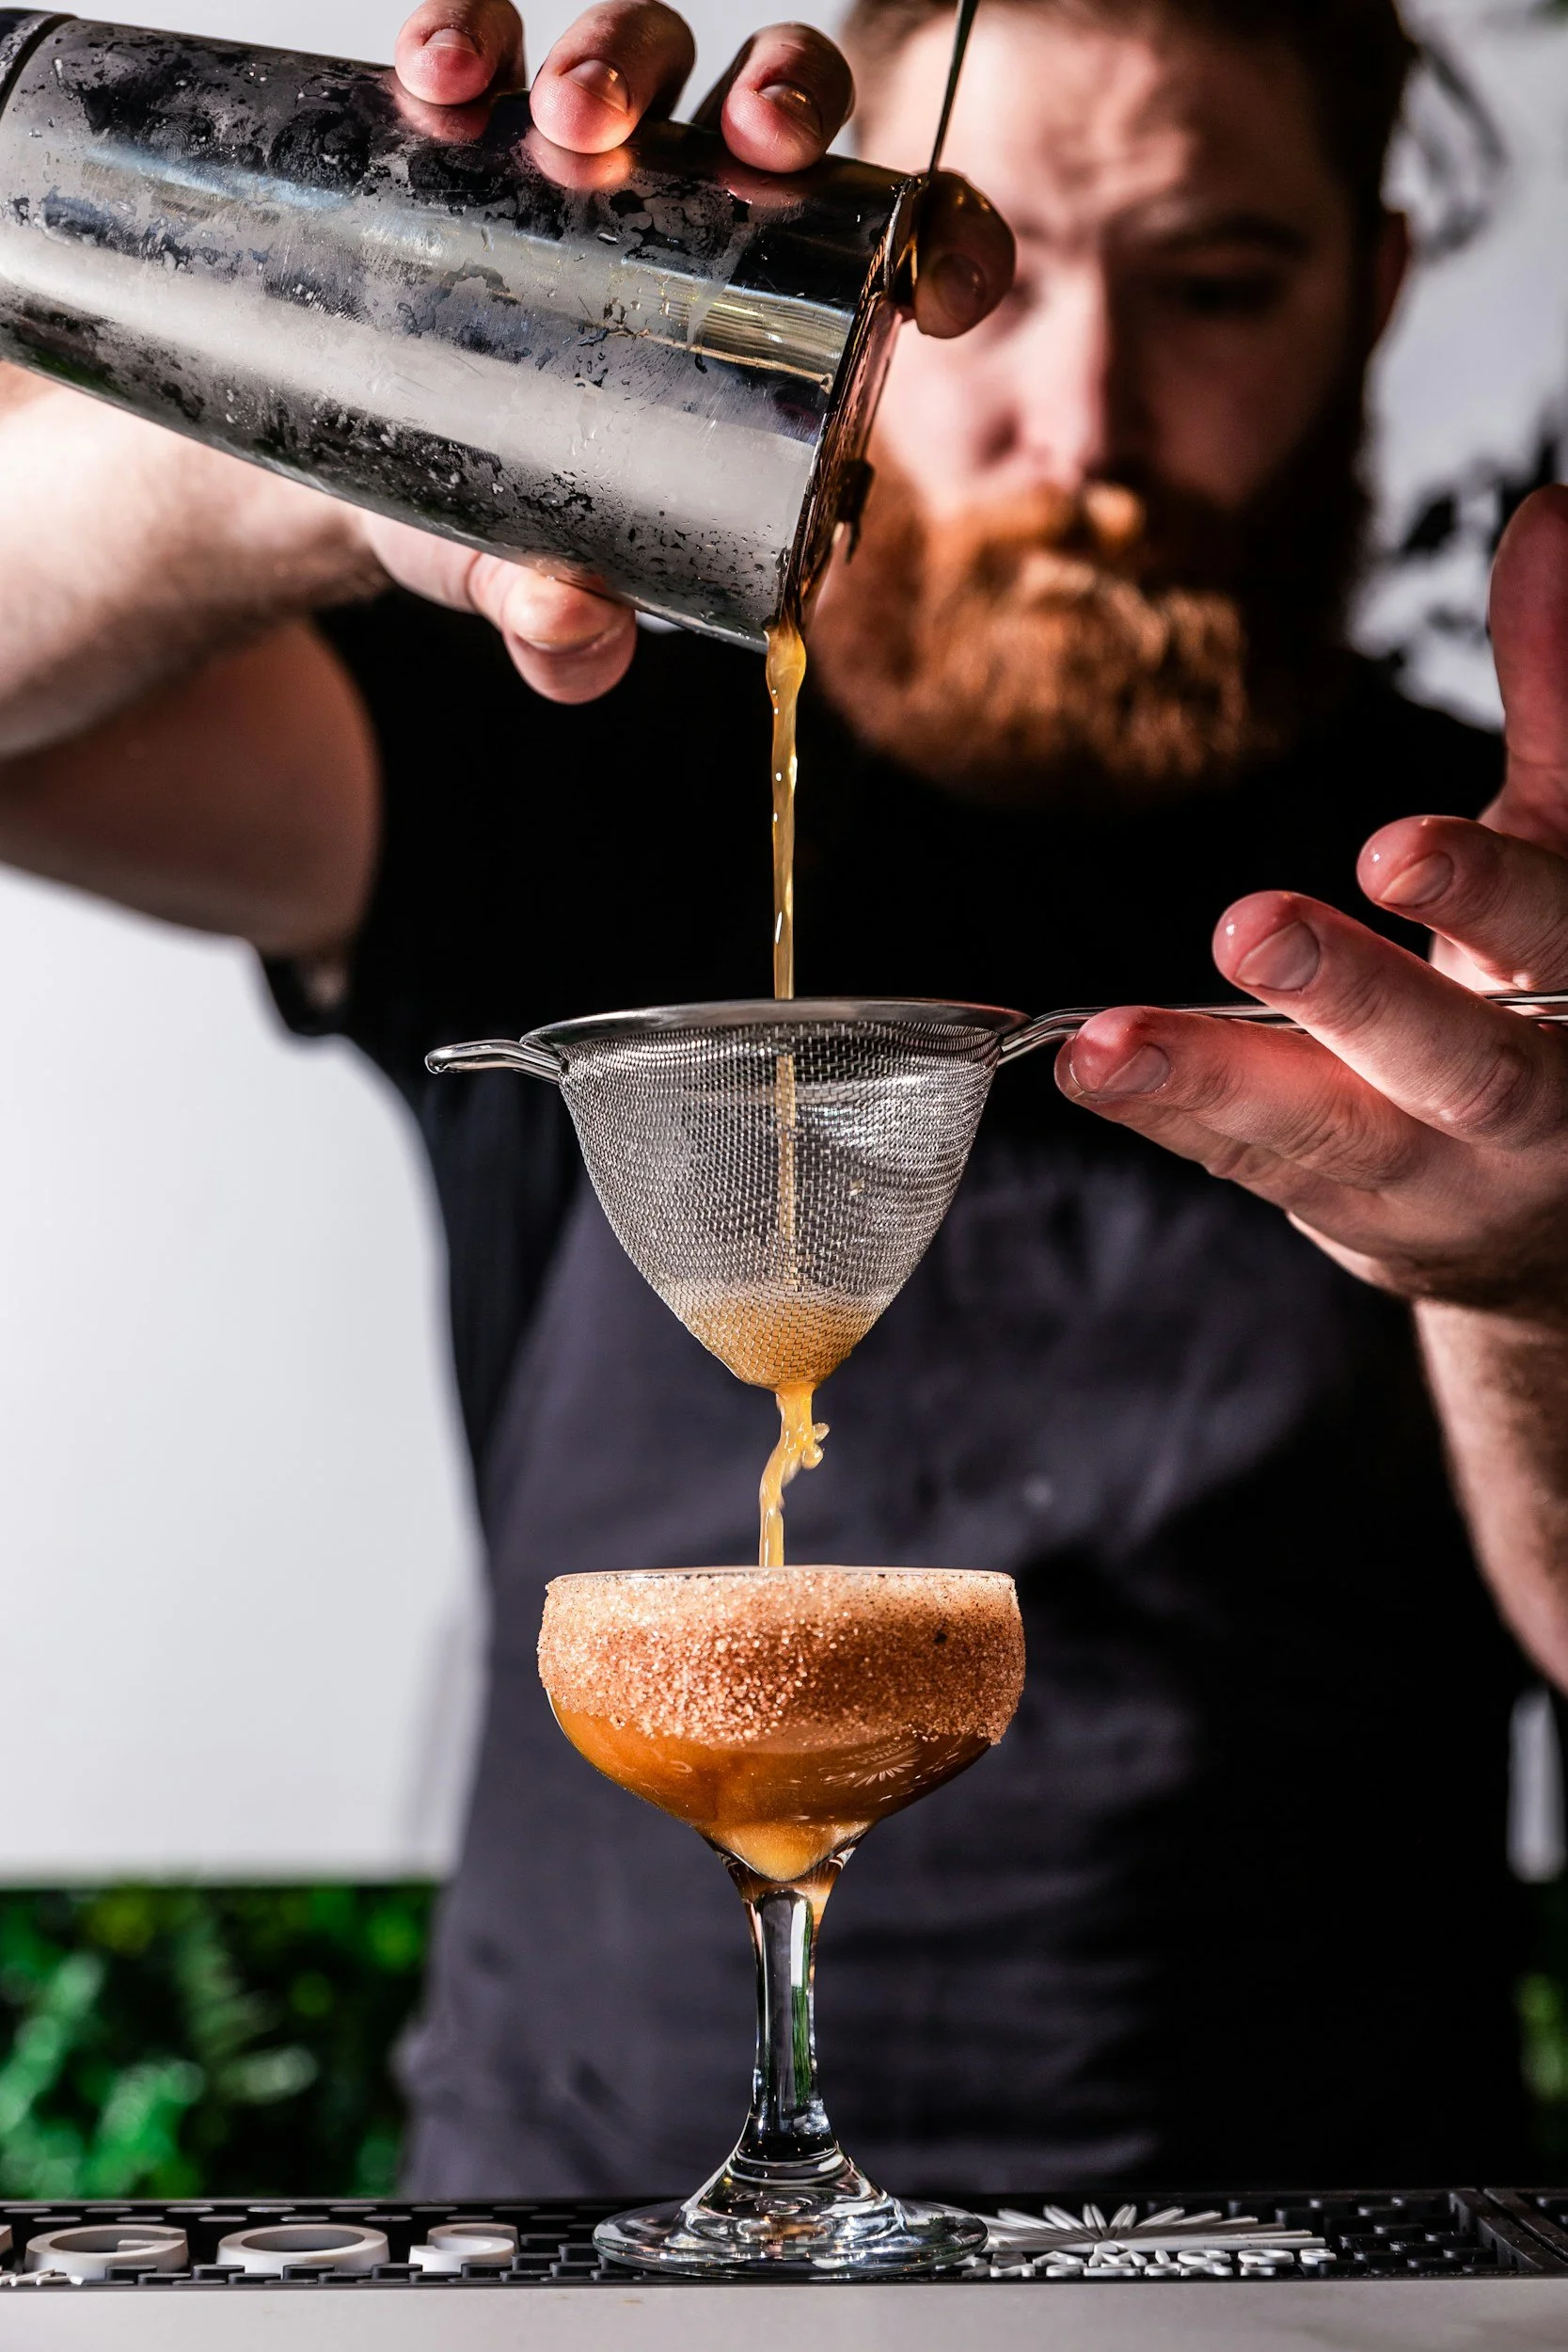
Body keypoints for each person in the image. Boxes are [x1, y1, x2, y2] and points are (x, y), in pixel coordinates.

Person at [4, 0, 1568, 2192]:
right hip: (575, 2257)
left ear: (1372, 290)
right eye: (983, 284)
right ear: (846, 279)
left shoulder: (1505, 903)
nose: (1086, 415)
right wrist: (346, 390)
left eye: (1213, 284)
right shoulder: (556, 738)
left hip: (1307, 2271)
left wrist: (1517, 1282)